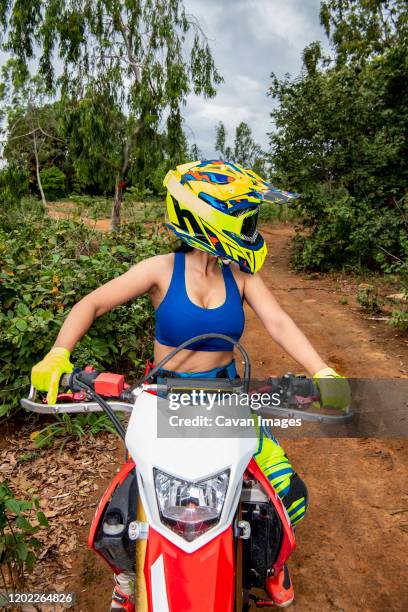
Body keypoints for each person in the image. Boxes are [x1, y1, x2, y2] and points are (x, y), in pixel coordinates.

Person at [31, 160, 350, 610]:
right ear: (212, 219)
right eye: (244, 216)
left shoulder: (241, 275)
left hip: (226, 398)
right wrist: (58, 353)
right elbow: (94, 302)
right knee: (133, 497)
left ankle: (273, 566)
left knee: (285, 493)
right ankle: (128, 573)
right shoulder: (160, 269)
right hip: (163, 398)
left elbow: (278, 322)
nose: (251, 226)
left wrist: (322, 370)